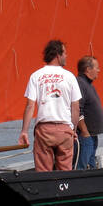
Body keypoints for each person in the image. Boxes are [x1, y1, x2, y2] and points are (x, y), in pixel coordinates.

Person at [20, 39, 81, 172]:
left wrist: (24, 131)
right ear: (58, 55)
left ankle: (44, 190)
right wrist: (74, 130)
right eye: (65, 53)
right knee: (65, 171)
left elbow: (30, 106)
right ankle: (65, 190)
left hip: (44, 131)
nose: (67, 56)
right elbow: (75, 107)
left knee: (43, 172)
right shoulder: (70, 77)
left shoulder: (36, 76)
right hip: (64, 130)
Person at [74, 56, 103, 169]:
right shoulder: (80, 83)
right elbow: (77, 109)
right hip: (85, 135)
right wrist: (84, 131)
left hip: (91, 135)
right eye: (96, 67)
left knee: (91, 165)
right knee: (81, 166)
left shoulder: (87, 84)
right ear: (88, 69)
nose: (98, 70)